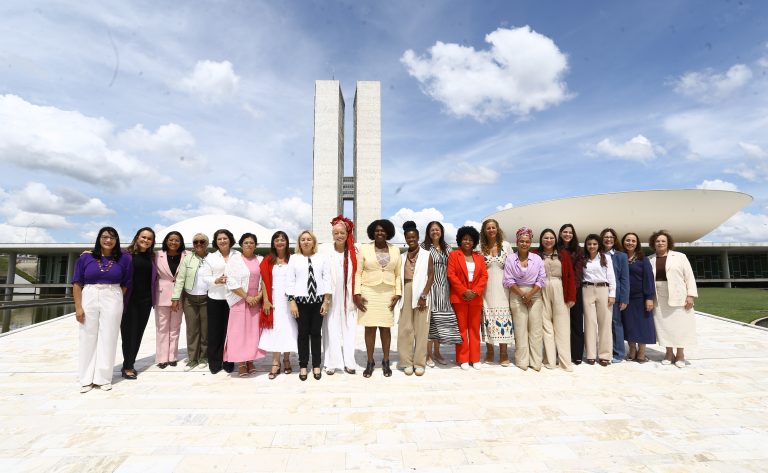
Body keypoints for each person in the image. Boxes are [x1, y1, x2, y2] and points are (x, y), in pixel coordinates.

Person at [72, 227, 132, 393]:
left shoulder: (124, 259)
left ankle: (103, 378)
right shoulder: (86, 257)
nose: (108, 240)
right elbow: (77, 282)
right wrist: (78, 307)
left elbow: (126, 283)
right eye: (105, 237)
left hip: (113, 294)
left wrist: (115, 298)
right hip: (90, 294)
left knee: (109, 336)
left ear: (117, 240)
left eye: (112, 237)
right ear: (99, 239)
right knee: (87, 336)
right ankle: (86, 378)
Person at [354, 219, 402, 378]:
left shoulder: (395, 250)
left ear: (388, 232)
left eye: (382, 230)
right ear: (372, 233)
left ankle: (386, 361)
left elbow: (397, 274)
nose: (379, 233)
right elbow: (358, 272)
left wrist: (398, 293)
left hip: (388, 292)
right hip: (369, 291)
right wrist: (357, 294)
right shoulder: (364, 248)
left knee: (385, 328)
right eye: (376, 230)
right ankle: (370, 361)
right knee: (369, 328)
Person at [648, 230, 698, 368]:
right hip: (659, 296)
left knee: (680, 326)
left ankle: (680, 354)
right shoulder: (650, 259)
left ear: (668, 242)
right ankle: (669, 353)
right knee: (664, 327)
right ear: (653, 243)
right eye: (657, 241)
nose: (660, 243)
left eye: (663, 241)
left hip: (678, 295)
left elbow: (689, 276)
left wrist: (690, 295)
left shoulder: (680, 257)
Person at [287, 231, 332, 381]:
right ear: (299, 243)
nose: (306, 242)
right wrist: (292, 301)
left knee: (316, 333)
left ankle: (317, 364)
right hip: (300, 303)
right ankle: (303, 365)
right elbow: (290, 280)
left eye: (309, 239)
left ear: (313, 242)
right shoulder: (294, 258)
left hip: (318, 302)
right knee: (303, 334)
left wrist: (326, 301)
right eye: (303, 239)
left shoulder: (322, 258)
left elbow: (327, 279)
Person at [503, 227, 546, 371]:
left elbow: (541, 279)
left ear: (530, 243)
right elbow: (508, 280)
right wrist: (522, 294)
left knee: (535, 329)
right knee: (520, 329)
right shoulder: (510, 259)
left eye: (527, 241)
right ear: (517, 242)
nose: (524, 244)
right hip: (517, 294)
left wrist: (530, 294)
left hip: (535, 295)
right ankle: (522, 361)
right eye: (521, 241)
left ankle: (536, 361)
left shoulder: (537, 258)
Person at [395, 221, 434, 376]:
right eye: (408, 238)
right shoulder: (402, 256)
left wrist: (424, 295)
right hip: (406, 290)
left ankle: (419, 363)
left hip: (421, 292)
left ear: (418, 237)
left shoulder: (427, 254)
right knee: (405, 328)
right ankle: (406, 362)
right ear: (405, 239)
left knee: (421, 329)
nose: (411, 240)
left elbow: (431, 275)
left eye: (413, 237)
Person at [224, 233, 266, 377]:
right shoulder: (234, 260)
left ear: (255, 245)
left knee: (253, 333)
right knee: (238, 333)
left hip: (256, 301)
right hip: (240, 300)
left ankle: (250, 360)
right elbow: (230, 281)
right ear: (241, 244)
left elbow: (265, 279)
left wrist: (259, 296)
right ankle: (241, 362)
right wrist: (246, 297)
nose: (249, 245)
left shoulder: (260, 259)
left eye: (252, 242)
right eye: (246, 242)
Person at [535, 228, 576, 372]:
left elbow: (570, 276)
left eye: (551, 238)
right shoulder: (536, 254)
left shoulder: (563, 254)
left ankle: (565, 362)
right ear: (541, 240)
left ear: (555, 239)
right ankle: (550, 361)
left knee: (562, 326)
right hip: (541, 288)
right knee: (546, 326)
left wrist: (571, 296)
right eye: (545, 238)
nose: (548, 240)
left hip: (560, 288)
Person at [448, 226, 488, 370]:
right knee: (462, 329)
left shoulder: (479, 257)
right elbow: (451, 275)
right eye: (465, 239)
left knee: (474, 329)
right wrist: (464, 291)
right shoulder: (454, 255)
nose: (467, 241)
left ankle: (475, 358)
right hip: (460, 297)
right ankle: (463, 358)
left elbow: (484, 276)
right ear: (460, 240)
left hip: (475, 298)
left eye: (470, 239)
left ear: (474, 241)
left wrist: (475, 291)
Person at [322, 216, 359, 375]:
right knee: (331, 328)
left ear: (347, 233)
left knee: (350, 329)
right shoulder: (325, 250)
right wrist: (325, 298)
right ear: (332, 234)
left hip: (348, 296)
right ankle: (331, 363)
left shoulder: (354, 251)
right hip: (330, 296)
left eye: (342, 233)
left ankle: (349, 362)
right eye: (336, 233)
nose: (339, 236)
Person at [259, 231, 298, 379]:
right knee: (276, 329)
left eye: (282, 240)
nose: (280, 242)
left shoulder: (293, 259)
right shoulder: (268, 260)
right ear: (273, 243)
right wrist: (266, 300)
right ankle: (275, 362)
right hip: (274, 299)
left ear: (287, 242)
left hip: (290, 300)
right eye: (277, 240)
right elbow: (264, 281)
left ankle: (286, 359)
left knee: (288, 328)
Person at [422, 221, 462, 367]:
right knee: (430, 322)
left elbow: (455, 267)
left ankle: (437, 353)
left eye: (437, 229)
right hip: (430, 288)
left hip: (445, 290)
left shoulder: (448, 248)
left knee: (440, 323)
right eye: (432, 230)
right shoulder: (424, 247)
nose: (435, 232)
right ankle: (428, 354)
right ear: (428, 232)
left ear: (441, 231)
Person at [120, 227, 157, 380]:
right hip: (129, 300)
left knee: (138, 334)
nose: (146, 240)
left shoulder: (152, 257)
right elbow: (104, 255)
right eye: (143, 237)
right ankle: (127, 366)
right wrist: (89, 253)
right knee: (128, 333)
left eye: (149, 238)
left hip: (145, 301)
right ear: (137, 237)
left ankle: (130, 363)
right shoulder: (124, 254)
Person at [172, 232, 210, 371]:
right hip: (190, 299)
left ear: (207, 243)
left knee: (205, 330)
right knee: (192, 330)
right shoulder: (188, 259)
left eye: (202, 241)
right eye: (196, 242)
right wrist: (175, 298)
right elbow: (180, 279)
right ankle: (192, 359)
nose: (199, 244)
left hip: (207, 298)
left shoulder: (212, 258)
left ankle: (204, 357)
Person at [202, 229, 237, 374]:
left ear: (230, 240)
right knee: (214, 331)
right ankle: (215, 362)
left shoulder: (237, 255)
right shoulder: (210, 257)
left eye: (225, 238)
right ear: (216, 242)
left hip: (234, 298)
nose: (222, 241)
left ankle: (229, 361)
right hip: (215, 297)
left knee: (230, 332)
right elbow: (205, 277)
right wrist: (216, 280)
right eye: (219, 239)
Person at [478, 219, 513, 366]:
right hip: (485, 289)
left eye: (493, 227)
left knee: (504, 319)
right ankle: (490, 351)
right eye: (488, 228)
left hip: (503, 289)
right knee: (488, 318)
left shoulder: (506, 246)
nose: (491, 230)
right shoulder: (480, 247)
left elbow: (513, 267)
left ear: (497, 229)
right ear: (484, 231)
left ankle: (504, 353)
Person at [620, 232, 656, 363]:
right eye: (627, 240)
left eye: (633, 241)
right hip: (626, 298)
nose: (630, 243)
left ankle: (641, 352)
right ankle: (632, 350)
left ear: (637, 243)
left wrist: (649, 297)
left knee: (642, 325)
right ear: (623, 242)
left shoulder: (643, 259)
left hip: (640, 298)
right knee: (629, 324)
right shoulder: (620, 257)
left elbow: (649, 278)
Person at [582, 234, 616, 366]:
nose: (592, 246)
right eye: (589, 244)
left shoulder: (605, 258)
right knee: (589, 322)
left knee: (605, 323)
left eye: (594, 244)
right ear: (586, 245)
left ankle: (605, 355)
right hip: (587, 289)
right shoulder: (583, 258)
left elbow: (611, 276)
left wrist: (612, 294)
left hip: (603, 289)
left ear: (599, 245)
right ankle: (590, 354)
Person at [154, 231, 186, 369]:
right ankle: (162, 358)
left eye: (177, 240)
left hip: (179, 296)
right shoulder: (157, 255)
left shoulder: (187, 255)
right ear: (166, 241)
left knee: (175, 327)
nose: (174, 242)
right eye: (171, 240)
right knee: (162, 328)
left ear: (181, 242)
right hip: (161, 295)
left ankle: (172, 356)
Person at [601, 228, 630, 364]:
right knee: (602, 324)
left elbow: (624, 278)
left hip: (616, 295)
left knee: (616, 323)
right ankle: (604, 350)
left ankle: (618, 353)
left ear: (615, 239)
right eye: (606, 237)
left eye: (611, 237)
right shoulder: (597, 254)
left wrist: (624, 298)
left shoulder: (621, 256)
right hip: (599, 293)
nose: (608, 239)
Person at [558, 224, 586, 365]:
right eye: (565, 232)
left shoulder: (578, 251)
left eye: (570, 232)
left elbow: (578, 272)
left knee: (576, 322)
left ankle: (576, 354)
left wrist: (571, 291)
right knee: (559, 323)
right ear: (560, 233)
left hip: (575, 290)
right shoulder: (556, 248)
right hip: (558, 289)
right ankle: (560, 352)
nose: (567, 234)